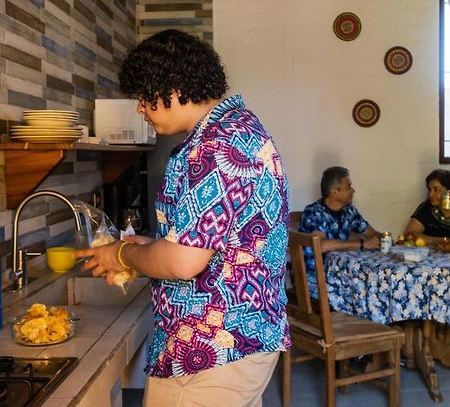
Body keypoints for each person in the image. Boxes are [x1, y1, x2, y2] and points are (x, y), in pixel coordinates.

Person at [73, 29, 290, 407]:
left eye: (143, 97)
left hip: (211, 347)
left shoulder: (215, 146)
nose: (140, 109)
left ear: (172, 87)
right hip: (238, 339)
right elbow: (206, 242)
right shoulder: (236, 129)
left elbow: (181, 261)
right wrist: (150, 247)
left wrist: (120, 255)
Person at [299, 166, 380, 297]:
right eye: (348, 187)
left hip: (343, 271)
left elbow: (371, 234)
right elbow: (321, 245)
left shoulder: (349, 211)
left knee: (375, 283)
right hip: (315, 275)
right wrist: (362, 244)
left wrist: (387, 238)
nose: (353, 190)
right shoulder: (314, 212)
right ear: (334, 192)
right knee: (359, 290)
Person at [404, 168, 450, 244]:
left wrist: (426, 239)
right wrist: (440, 241)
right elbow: (409, 235)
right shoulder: (426, 208)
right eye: (429, 189)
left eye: (436, 189)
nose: (431, 194)